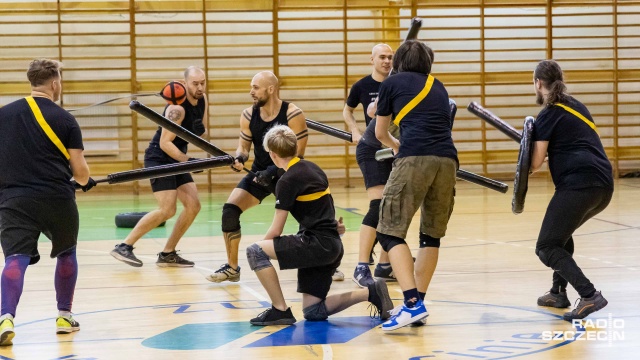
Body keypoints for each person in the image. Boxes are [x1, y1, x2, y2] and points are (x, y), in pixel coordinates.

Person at [245, 125, 393, 325]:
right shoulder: (312, 168)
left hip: (316, 245)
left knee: (254, 251)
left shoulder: (287, 180)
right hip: (331, 245)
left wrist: (262, 255)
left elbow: (276, 230)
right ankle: (371, 292)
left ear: (272, 154)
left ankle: (280, 310)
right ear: (295, 147)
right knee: (314, 311)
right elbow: (322, 207)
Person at [0, 59, 94, 345]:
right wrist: (85, 180)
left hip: (13, 199)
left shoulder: (3, 115)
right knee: (66, 253)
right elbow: (80, 174)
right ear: (54, 83)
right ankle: (64, 316)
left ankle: (5, 317)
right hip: (57, 198)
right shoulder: (65, 119)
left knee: (15, 258)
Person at [375, 41, 458, 331]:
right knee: (430, 235)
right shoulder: (439, 85)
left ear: (398, 61)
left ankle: (411, 304)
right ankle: (418, 303)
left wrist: (396, 145)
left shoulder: (391, 82)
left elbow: (380, 131)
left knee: (387, 231)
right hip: (448, 161)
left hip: (414, 158)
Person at [206, 71, 308, 283]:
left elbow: (298, 154)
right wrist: (239, 158)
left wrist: (272, 172)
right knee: (230, 211)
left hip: (290, 174)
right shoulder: (247, 115)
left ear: (270, 89)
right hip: (259, 174)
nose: (251, 92)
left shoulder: (292, 113)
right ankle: (232, 268)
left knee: (311, 219)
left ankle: (327, 264)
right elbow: (243, 147)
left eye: (255, 87)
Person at [530, 60, 613, 321]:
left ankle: (589, 295)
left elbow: (534, 164)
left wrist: (528, 146)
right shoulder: (576, 106)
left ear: (538, 83)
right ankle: (558, 292)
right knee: (561, 236)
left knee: (546, 246)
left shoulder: (548, 114)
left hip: (579, 184)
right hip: (603, 185)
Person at [110, 66, 207, 268]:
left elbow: (197, 131)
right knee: (167, 209)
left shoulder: (202, 100)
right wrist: (188, 162)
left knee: (193, 206)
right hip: (160, 158)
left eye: (202, 83)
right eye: (195, 83)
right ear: (184, 83)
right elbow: (165, 143)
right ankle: (124, 246)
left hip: (177, 158)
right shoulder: (176, 109)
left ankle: (167, 253)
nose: (199, 87)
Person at [344, 44, 397, 287]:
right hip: (372, 148)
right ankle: (362, 265)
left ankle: (385, 264)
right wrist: (354, 129)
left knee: (393, 207)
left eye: (390, 57)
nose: (386, 61)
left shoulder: (398, 83)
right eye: (382, 57)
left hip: (394, 148)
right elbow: (349, 110)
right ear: (372, 59)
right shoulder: (362, 86)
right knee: (378, 206)